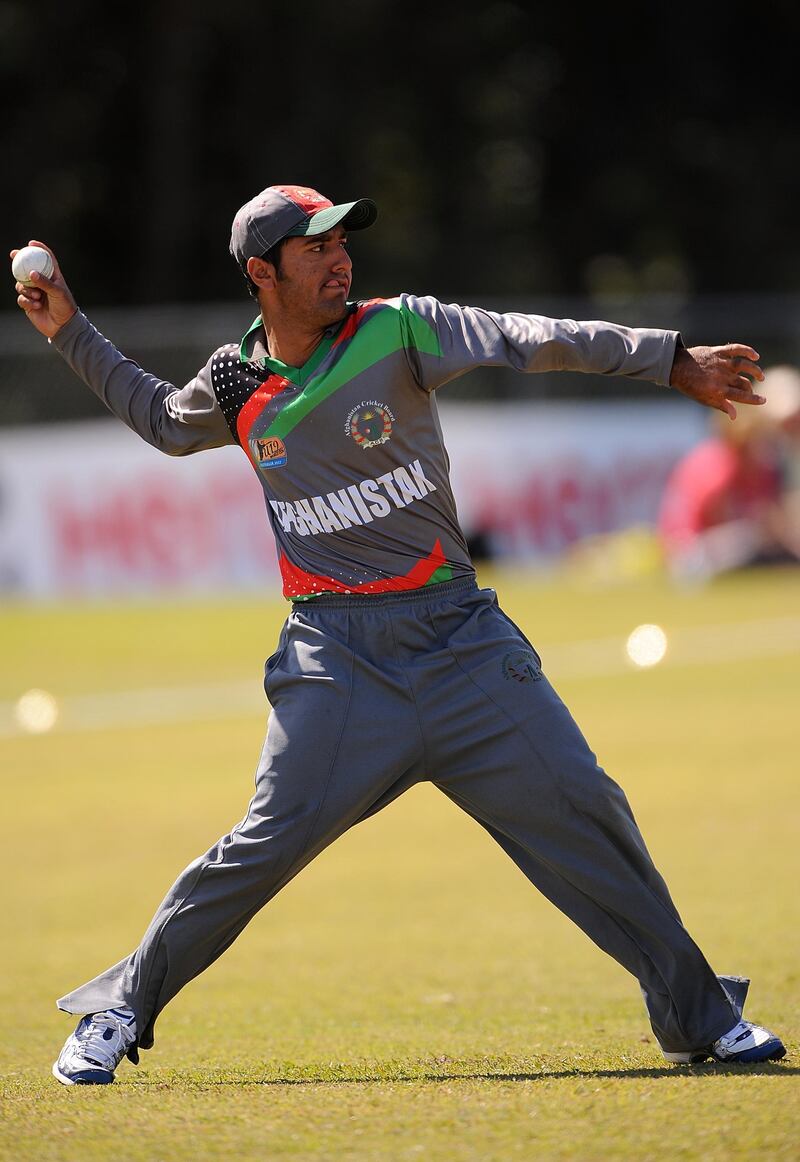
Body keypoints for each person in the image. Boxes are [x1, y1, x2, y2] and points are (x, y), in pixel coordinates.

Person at [12, 184, 786, 1085]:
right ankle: (118, 1010)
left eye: (343, 242)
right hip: (337, 666)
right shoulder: (237, 382)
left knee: (586, 808)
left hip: (463, 643)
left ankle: (699, 1018)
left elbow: (524, 336)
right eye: (315, 249)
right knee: (261, 847)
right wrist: (70, 329)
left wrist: (666, 360)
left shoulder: (400, 327)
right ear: (262, 274)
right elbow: (160, 422)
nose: (340, 259)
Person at [659, 364, 800, 580]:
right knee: (753, 537)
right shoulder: (718, 464)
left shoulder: (765, 467)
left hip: (730, 553)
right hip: (695, 555)